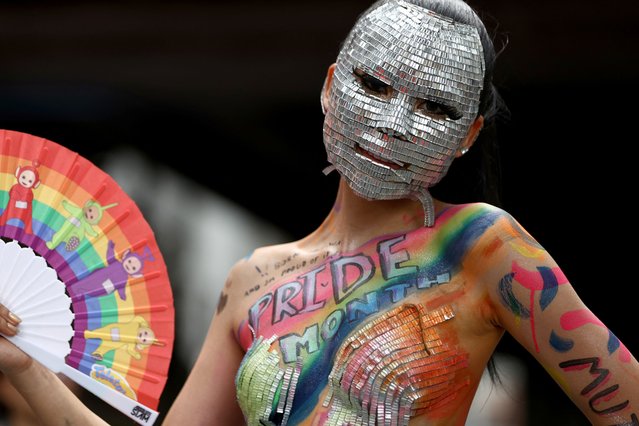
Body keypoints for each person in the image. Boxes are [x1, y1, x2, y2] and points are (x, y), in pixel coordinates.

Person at [1, 0, 638, 424]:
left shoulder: (481, 245)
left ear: (468, 136)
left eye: (435, 109)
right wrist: (23, 364)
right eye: (375, 86)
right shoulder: (251, 280)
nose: (393, 125)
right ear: (332, 87)